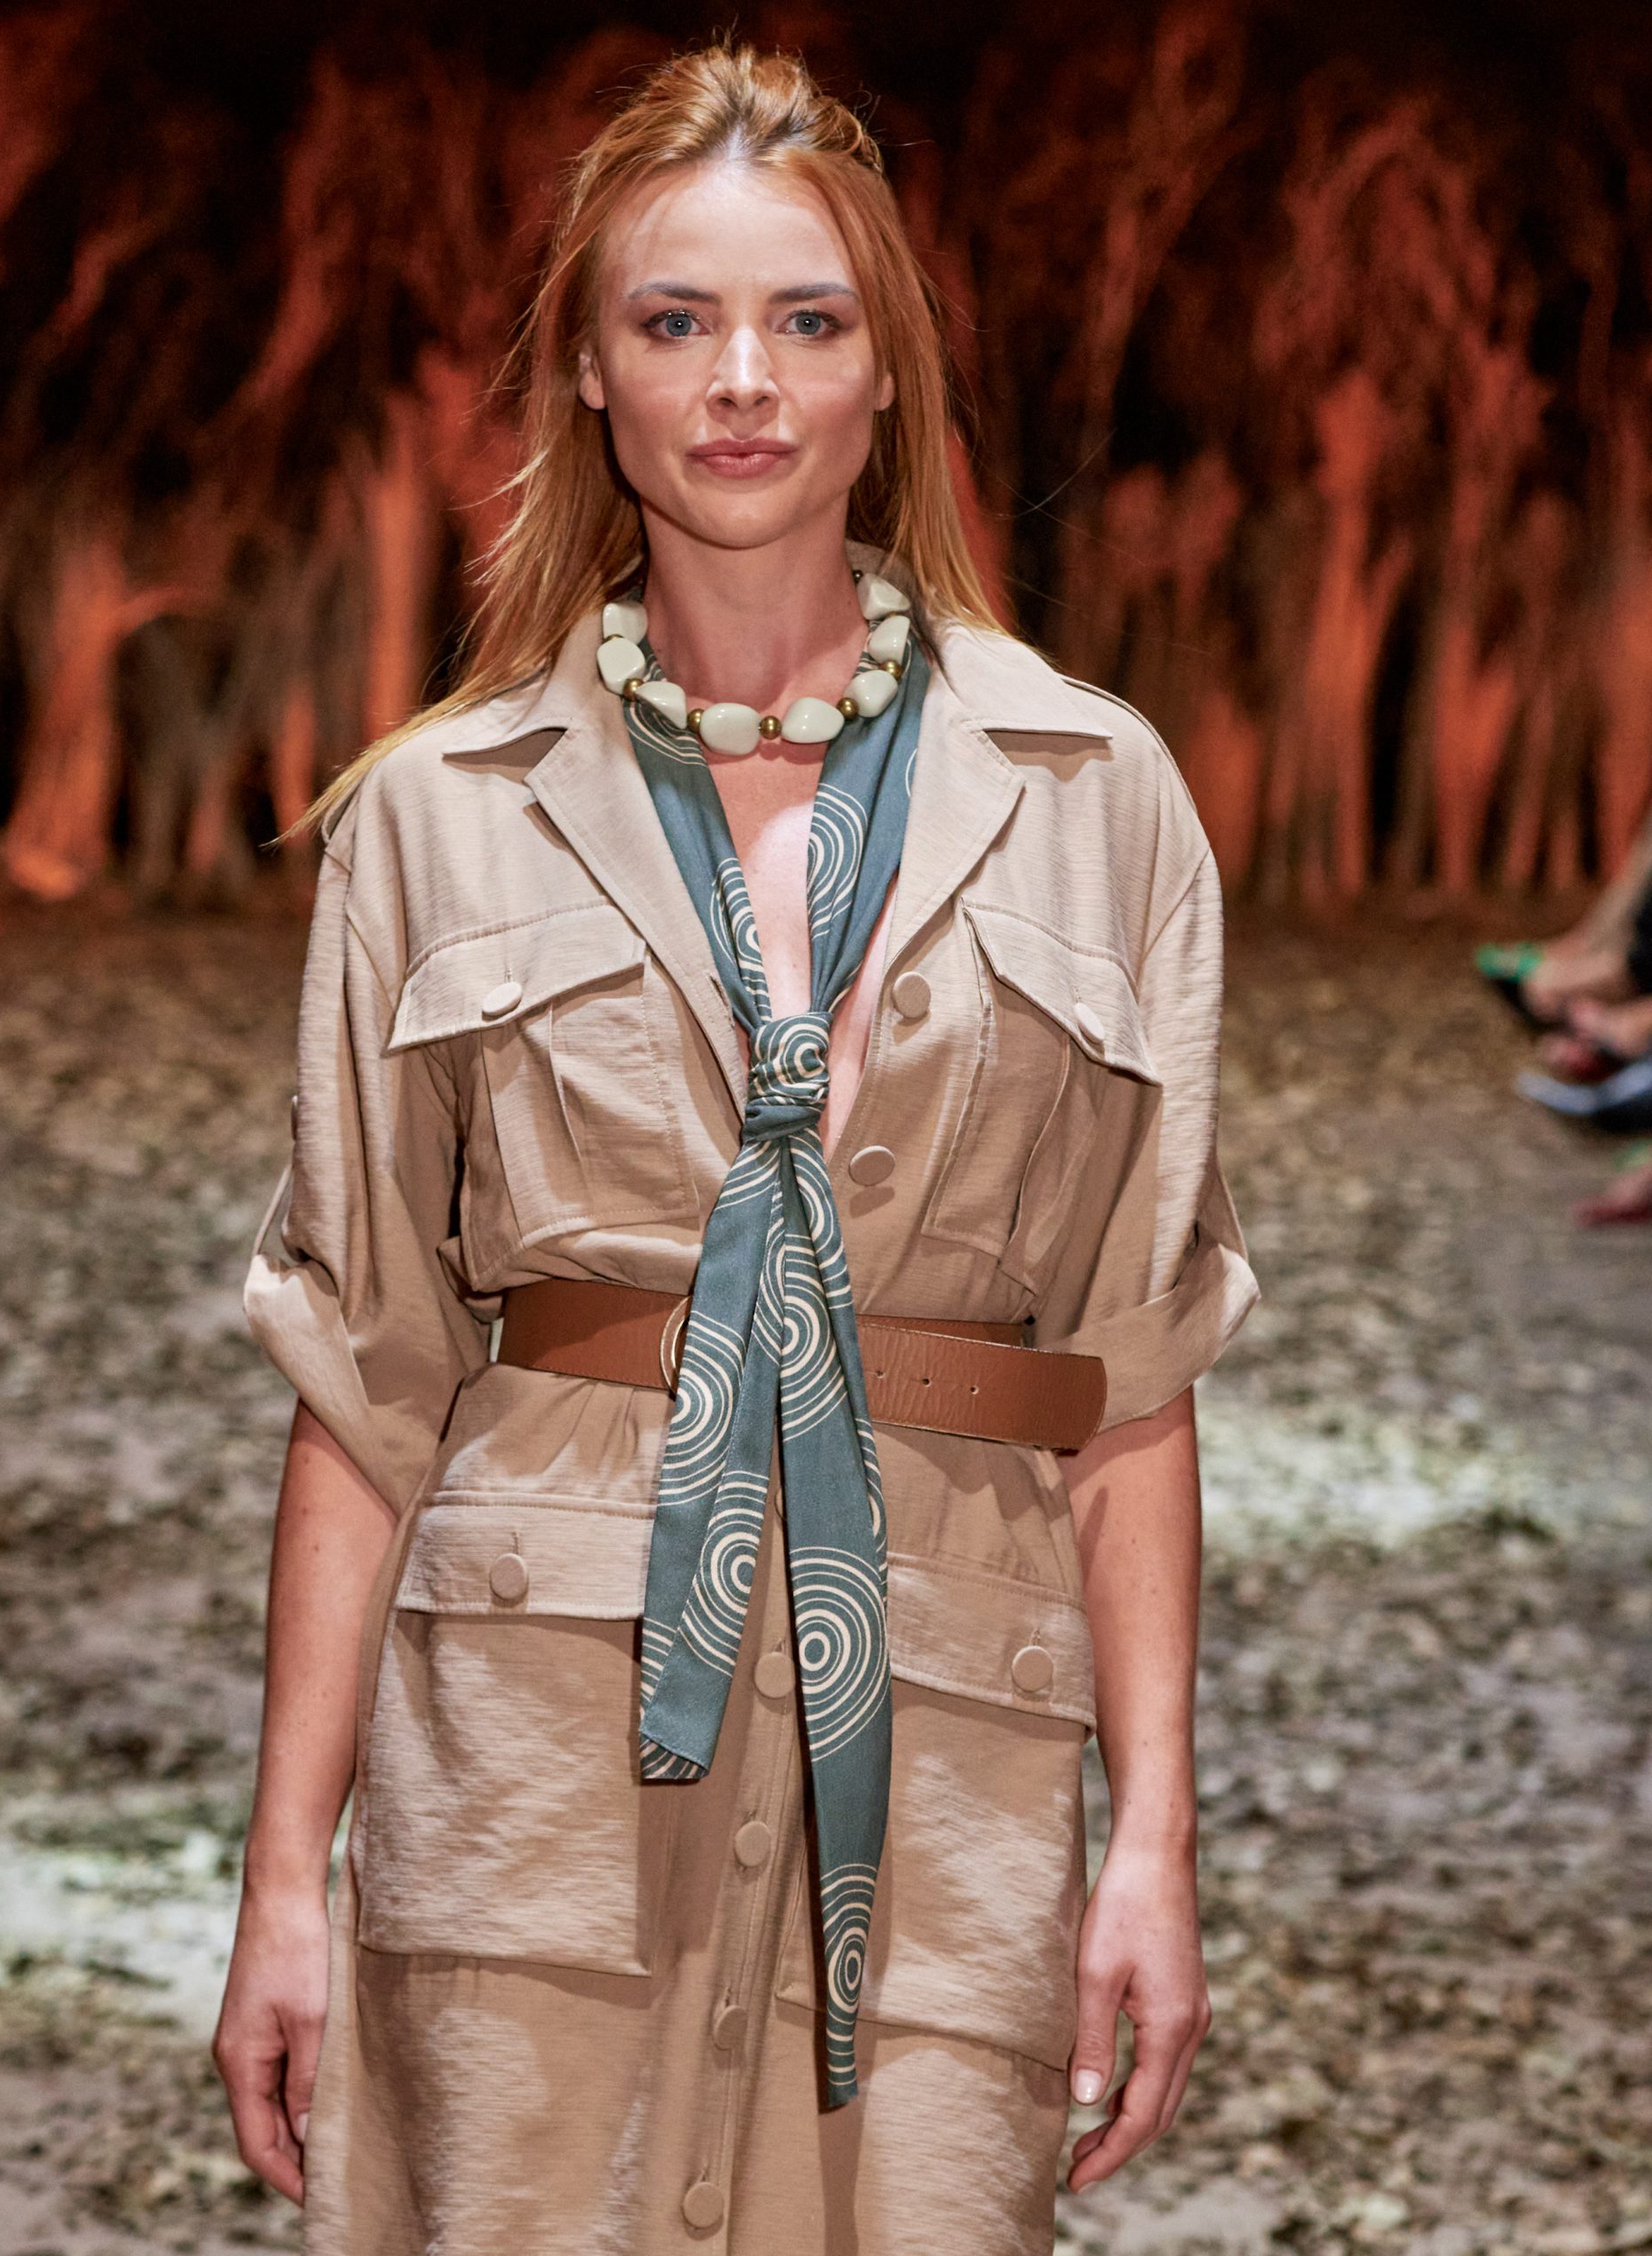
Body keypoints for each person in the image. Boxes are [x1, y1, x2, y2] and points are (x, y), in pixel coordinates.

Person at [212, 42, 1258, 2253]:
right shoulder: (434, 818)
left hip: (950, 1770)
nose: (743, 380)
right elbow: (366, 1377)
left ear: (889, 375)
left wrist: (1153, 1842)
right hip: (528, 1759)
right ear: (590, 374)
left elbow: (1134, 1381)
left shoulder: (1097, 799)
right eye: (675, 320)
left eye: (807, 318)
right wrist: (282, 1878)